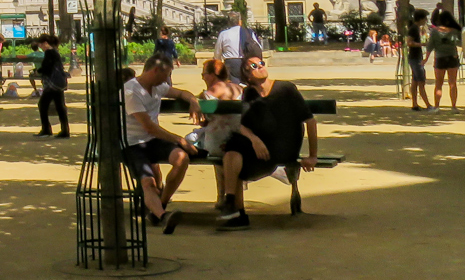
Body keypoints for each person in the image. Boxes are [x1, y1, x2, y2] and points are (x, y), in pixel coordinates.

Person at [217, 59, 318, 230]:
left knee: (235, 153)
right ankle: (233, 207)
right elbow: (243, 125)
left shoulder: (286, 89)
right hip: (262, 147)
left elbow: (310, 121)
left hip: (285, 146)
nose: (260, 67)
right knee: (233, 148)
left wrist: (313, 156)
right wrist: (255, 140)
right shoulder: (249, 93)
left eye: (261, 63)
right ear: (248, 76)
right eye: (254, 66)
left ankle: (233, 207)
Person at [121, 54, 200, 233]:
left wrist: (193, 101)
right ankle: (163, 217)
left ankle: (160, 205)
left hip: (153, 142)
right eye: (167, 74)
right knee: (148, 182)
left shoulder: (158, 87)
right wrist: (180, 140)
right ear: (156, 70)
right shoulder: (131, 91)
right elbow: (149, 127)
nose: (167, 79)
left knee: (181, 158)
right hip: (132, 144)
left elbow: (181, 93)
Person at [34, 34, 70, 138]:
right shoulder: (55, 51)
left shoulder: (49, 53)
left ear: (45, 43)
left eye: (41, 45)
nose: (40, 47)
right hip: (58, 82)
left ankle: (46, 129)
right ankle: (65, 130)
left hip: (52, 84)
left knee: (43, 104)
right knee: (60, 106)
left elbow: (47, 67)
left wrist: (38, 71)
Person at [427, 8, 462, 111]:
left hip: (440, 58)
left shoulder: (434, 31)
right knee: (453, 83)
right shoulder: (454, 31)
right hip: (452, 57)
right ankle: (454, 106)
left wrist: (426, 58)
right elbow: (460, 42)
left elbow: (430, 45)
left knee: (438, 84)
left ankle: (437, 106)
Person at [214, 18, 264, 84]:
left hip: (231, 63)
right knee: (248, 83)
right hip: (246, 62)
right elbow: (258, 47)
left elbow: (217, 53)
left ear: (229, 23)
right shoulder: (248, 32)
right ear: (240, 22)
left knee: (234, 86)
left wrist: (218, 62)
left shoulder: (224, 34)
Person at [406, 8, 431, 111]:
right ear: (420, 19)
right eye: (425, 18)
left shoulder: (415, 28)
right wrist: (423, 44)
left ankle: (415, 104)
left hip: (415, 57)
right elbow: (409, 42)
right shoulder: (414, 29)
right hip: (415, 58)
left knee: (415, 81)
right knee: (421, 81)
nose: (426, 20)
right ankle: (428, 105)